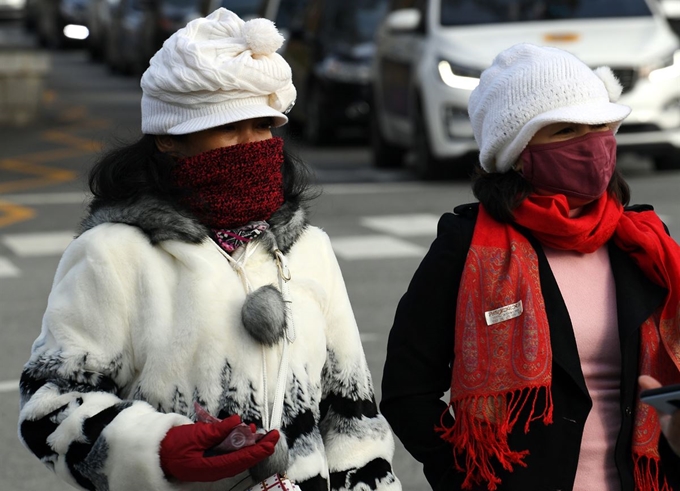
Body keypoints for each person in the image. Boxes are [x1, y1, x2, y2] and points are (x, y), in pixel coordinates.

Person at [17, 8, 401, 491]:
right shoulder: (112, 254)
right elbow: (50, 406)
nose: (251, 144)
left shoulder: (310, 251)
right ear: (169, 139)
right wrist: (157, 448)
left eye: (263, 126)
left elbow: (352, 420)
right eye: (228, 127)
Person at [380, 43, 680, 491]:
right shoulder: (465, 248)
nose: (591, 144)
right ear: (518, 152)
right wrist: (467, 474)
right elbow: (408, 391)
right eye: (564, 131)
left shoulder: (644, 243)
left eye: (599, 125)